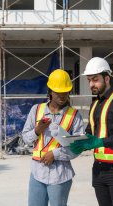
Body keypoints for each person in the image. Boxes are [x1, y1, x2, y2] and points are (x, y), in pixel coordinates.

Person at [70, 57, 113, 206]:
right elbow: (91, 131)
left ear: (107, 78)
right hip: (99, 170)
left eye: (95, 80)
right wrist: (79, 141)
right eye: (89, 80)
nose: (91, 84)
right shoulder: (95, 103)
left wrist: (101, 142)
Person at [22, 69, 85, 206]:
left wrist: (55, 154)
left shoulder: (74, 116)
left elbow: (78, 147)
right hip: (37, 173)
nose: (62, 95)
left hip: (60, 175)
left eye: (65, 92)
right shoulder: (36, 110)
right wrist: (37, 130)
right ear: (50, 91)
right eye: (58, 92)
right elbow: (25, 139)